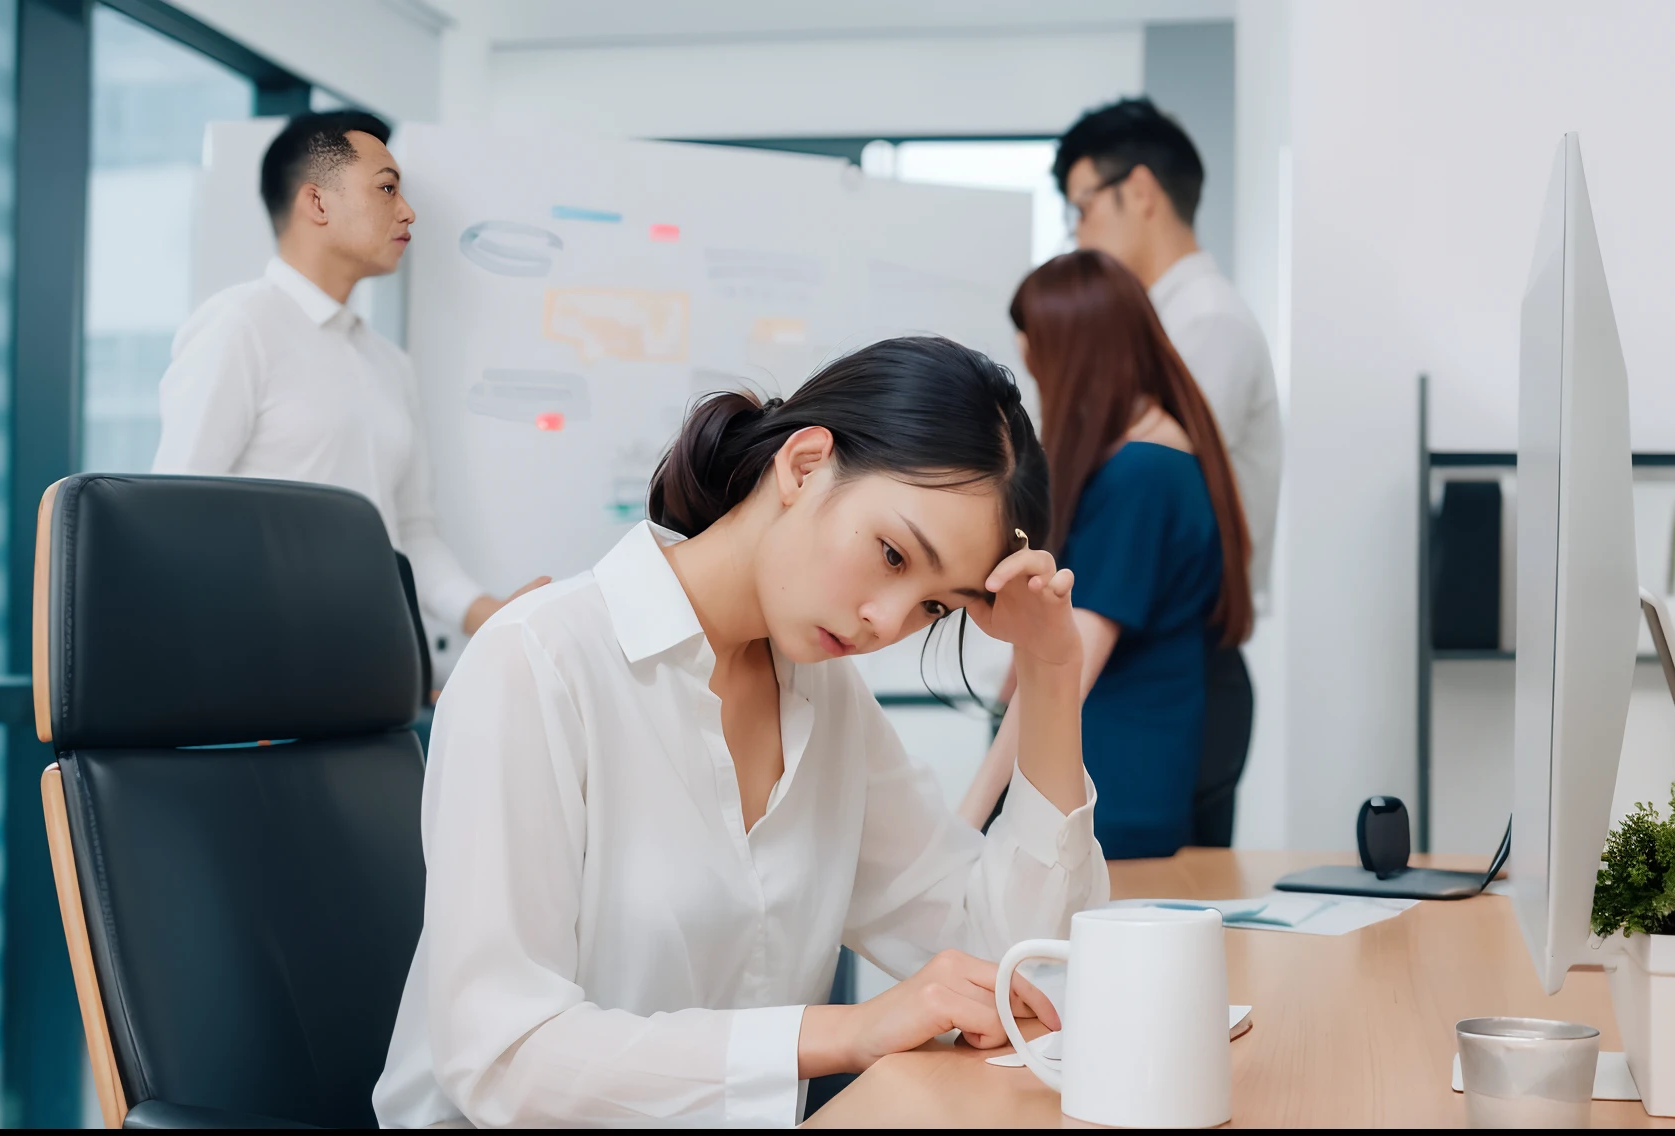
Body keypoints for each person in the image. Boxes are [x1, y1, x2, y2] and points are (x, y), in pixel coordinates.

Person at [371, 337, 1109, 1127]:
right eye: (892, 554)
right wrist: (845, 1033)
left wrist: (1051, 671)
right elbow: (503, 1055)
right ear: (802, 465)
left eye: (935, 605)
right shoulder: (539, 661)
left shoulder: (830, 706)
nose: (888, 622)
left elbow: (1017, 966)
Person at [152, 110, 544, 638]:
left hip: (371, 657)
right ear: (316, 202)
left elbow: (411, 533)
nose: (407, 212)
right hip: (260, 666)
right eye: (387, 189)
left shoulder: (389, 364)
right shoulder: (240, 325)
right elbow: (172, 519)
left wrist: (489, 616)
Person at [958, 251, 1253, 861]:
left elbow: (1063, 667)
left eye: (1037, 360)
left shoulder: (1140, 477)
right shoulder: (1165, 450)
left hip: (1123, 778)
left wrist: (964, 827)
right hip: (1139, 755)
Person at [1054, 96, 1279, 844]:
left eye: (1081, 206)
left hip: (1176, 667)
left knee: (1161, 914)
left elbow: (1141, 499)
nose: (1078, 231)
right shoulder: (1163, 320)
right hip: (1142, 661)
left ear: (1139, 192)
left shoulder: (1203, 322)